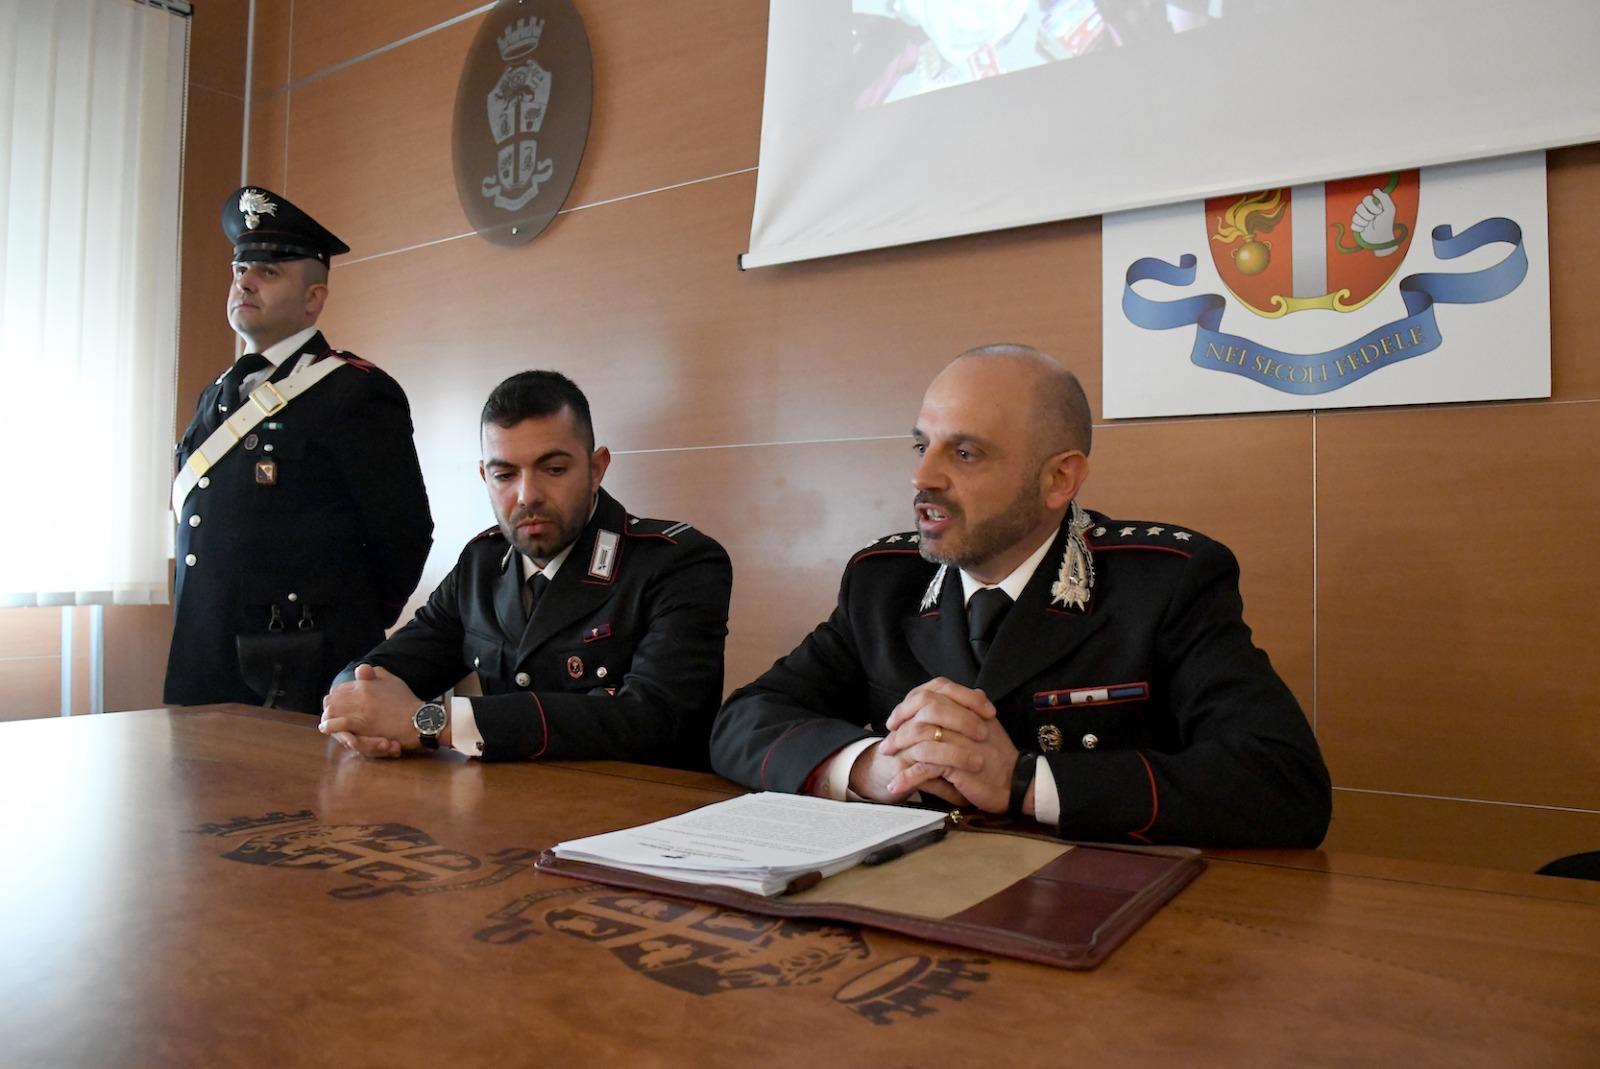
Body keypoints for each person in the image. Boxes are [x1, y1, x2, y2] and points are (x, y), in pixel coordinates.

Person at [709, 344, 1331, 847]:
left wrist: (1022, 782)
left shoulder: (1165, 581)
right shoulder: (882, 581)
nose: (922, 478)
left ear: (1059, 478)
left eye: (966, 452)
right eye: (923, 445)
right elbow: (743, 721)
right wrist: (872, 766)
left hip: (1099, 929)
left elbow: (1283, 783)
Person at [318, 371, 733, 769]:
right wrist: (353, 703)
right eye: (505, 474)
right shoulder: (481, 563)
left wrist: (433, 723)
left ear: (596, 469)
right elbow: (387, 666)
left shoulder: (679, 564)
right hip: (505, 814)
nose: (527, 496)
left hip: (636, 820)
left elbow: (656, 718)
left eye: (553, 470)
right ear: (485, 476)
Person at [166, 186, 433, 714]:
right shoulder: (215, 395)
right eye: (241, 268)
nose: (245, 280)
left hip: (295, 667)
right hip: (204, 658)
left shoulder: (354, 392)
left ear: (314, 298)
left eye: (269, 271)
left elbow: (403, 533)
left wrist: (344, 624)